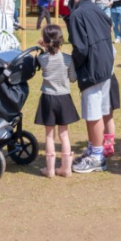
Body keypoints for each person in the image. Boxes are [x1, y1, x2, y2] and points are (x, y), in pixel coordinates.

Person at [67, 0, 116, 174]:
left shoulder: (77, 14)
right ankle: (94, 150)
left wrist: (73, 67)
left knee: (93, 112)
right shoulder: (97, 8)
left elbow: (80, 48)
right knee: (99, 109)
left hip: (92, 66)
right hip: (105, 63)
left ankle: (96, 156)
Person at [35, 24, 79, 178]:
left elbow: (44, 55)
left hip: (48, 97)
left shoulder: (42, 58)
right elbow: (73, 78)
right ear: (61, 40)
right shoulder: (67, 59)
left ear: (45, 41)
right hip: (64, 97)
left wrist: (43, 47)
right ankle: (66, 168)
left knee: (49, 135)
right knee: (64, 134)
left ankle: (50, 169)